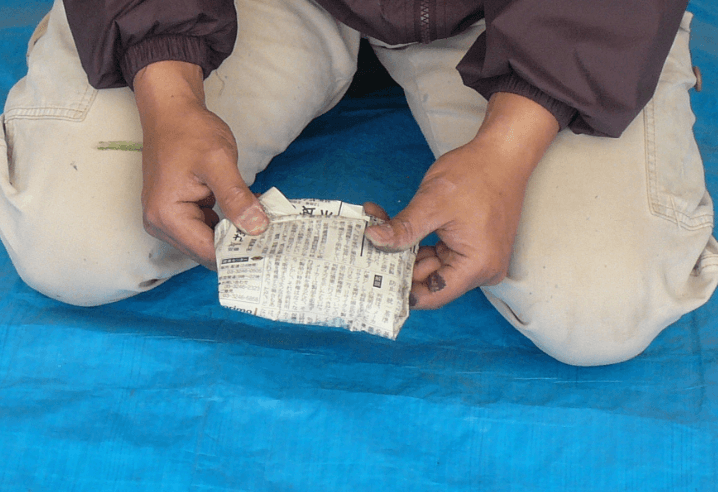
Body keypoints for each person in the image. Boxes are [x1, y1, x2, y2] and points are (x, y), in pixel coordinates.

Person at [1, 0, 715, 365]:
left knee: (597, 308)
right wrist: (165, 80)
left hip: (527, 16)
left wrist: (513, 140)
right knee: (76, 242)